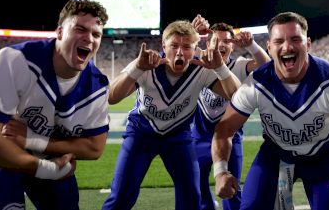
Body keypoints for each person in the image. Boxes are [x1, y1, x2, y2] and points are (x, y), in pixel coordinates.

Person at [211, 11, 329, 210]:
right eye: (279, 41)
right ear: (269, 47)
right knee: (251, 206)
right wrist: (221, 171)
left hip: (324, 159)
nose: (287, 46)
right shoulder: (256, 83)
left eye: (295, 39)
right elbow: (224, 129)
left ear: (308, 43)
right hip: (275, 156)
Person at [0, 0, 110, 210]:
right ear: (60, 32)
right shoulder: (16, 60)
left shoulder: (97, 87)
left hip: (53, 161)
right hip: (2, 159)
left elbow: (94, 148)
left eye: (96, 34)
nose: (89, 38)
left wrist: (35, 140)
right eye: (80, 29)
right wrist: (47, 169)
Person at [102, 17, 241, 210]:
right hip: (141, 133)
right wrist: (136, 68)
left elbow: (238, 98)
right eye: (174, 45)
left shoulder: (202, 69)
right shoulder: (147, 63)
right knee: (121, 195)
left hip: (178, 136)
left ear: (196, 48)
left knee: (191, 198)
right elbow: (112, 96)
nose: (179, 52)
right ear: (163, 46)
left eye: (186, 47)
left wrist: (220, 67)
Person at [190, 22, 270, 210]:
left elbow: (267, 66)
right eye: (216, 40)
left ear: (233, 46)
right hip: (199, 137)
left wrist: (251, 45)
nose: (222, 44)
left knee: (232, 191)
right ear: (207, 43)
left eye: (227, 41)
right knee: (198, 190)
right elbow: (178, 51)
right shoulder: (197, 63)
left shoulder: (240, 66)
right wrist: (193, 33)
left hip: (232, 139)